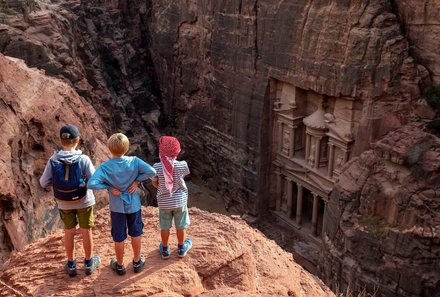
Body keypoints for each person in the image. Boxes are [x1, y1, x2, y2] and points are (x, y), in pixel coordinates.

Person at [87, 133, 156, 275]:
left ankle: (119, 265)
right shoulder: (134, 161)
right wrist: (137, 181)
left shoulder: (105, 167)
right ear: (127, 147)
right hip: (134, 205)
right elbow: (152, 171)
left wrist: (109, 187)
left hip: (117, 207)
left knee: (119, 236)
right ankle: (137, 262)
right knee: (136, 233)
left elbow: (91, 183)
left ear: (109, 148)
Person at [40, 124, 101, 277]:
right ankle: (88, 263)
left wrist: (57, 184)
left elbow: (43, 182)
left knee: (69, 231)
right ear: (77, 140)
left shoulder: (53, 160)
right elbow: (93, 180)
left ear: (61, 141)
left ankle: (71, 264)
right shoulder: (83, 159)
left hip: (63, 202)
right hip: (84, 201)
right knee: (86, 230)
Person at [152, 136, 192, 259]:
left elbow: (154, 183)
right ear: (177, 152)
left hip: (164, 202)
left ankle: (164, 249)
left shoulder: (157, 167)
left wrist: (162, 187)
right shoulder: (182, 165)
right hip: (180, 201)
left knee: (165, 226)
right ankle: (181, 248)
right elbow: (182, 178)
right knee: (181, 225)